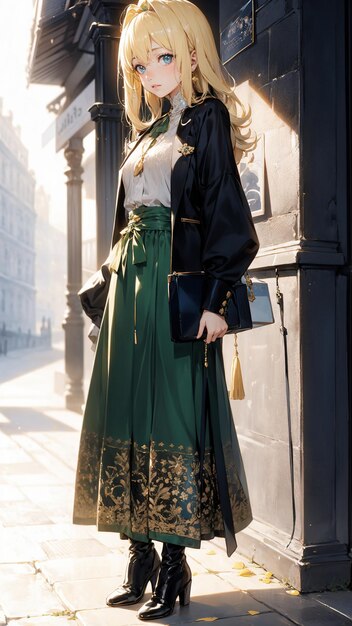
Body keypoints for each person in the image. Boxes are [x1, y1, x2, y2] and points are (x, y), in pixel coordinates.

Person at [73, 0, 259, 621]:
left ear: (190, 52)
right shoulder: (144, 132)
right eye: (140, 62)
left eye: (163, 56)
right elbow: (128, 215)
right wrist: (105, 282)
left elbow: (229, 217)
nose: (151, 72)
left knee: (172, 417)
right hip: (130, 285)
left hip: (173, 290)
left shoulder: (203, 120)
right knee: (129, 414)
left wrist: (218, 302)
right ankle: (140, 555)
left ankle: (175, 565)